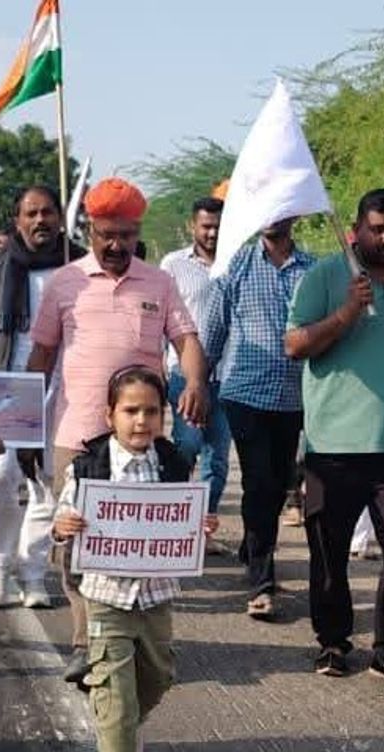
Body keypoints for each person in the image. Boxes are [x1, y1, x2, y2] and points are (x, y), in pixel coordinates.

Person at [27, 177, 207, 683]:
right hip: (76, 434)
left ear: (137, 232)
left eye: (125, 235)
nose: (115, 244)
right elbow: (40, 356)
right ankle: (86, 641)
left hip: (142, 436)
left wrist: (195, 381)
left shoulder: (160, 283)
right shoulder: (64, 282)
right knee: (77, 544)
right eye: (106, 234)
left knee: (138, 540)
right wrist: (19, 423)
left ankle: (139, 637)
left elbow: (186, 338)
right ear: (89, 229)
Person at [285, 188, 384, 693]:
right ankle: (333, 641)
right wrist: (345, 314)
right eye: (377, 229)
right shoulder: (324, 277)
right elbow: (294, 345)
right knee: (329, 555)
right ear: (356, 229)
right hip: (333, 447)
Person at [52, 366, 217, 752]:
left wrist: (199, 526)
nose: (141, 421)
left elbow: (187, 514)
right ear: (110, 415)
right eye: (130, 411)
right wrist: (64, 525)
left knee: (159, 676)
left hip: (156, 595)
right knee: (115, 689)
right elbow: (65, 512)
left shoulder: (173, 461)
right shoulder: (89, 466)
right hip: (106, 596)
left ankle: (120, 727)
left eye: (151, 411)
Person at [0, 186, 84, 612]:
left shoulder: (79, 265)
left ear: (60, 218)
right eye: (30, 214)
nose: (40, 221)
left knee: (51, 486)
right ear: (17, 221)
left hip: (61, 390)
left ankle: (33, 572)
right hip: (3, 388)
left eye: (48, 212)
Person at [202, 217, 314, 620]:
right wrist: (197, 385)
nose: (271, 218)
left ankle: (252, 547)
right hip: (245, 395)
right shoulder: (237, 266)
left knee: (282, 480)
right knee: (260, 482)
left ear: (294, 215)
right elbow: (212, 333)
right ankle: (261, 582)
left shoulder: (314, 270)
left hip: (295, 400)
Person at [160, 197, 231, 521]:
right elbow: (162, 319)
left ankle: (203, 525)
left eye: (219, 226)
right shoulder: (173, 265)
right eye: (206, 226)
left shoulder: (238, 262)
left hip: (226, 378)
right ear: (193, 226)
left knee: (216, 460)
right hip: (185, 377)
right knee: (187, 445)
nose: (213, 233)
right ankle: (174, 518)